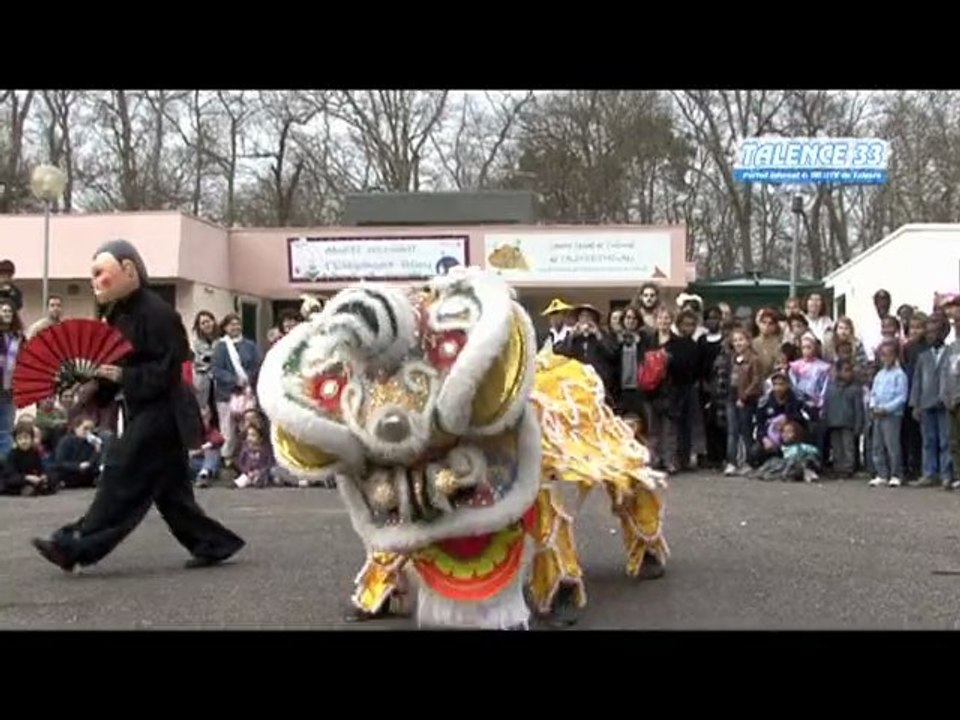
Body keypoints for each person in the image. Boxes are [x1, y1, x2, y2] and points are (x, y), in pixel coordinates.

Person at [28, 239, 245, 573]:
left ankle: (73, 546)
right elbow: (113, 363)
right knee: (170, 491)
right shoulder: (118, 314)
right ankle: (213, 543)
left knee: (121, 474)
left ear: (128, 270)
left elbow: (169, 369)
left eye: (101, 273)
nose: (94, 282)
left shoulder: (159, 314)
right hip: (144, 408)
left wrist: (124, 376)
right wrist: (89, 388)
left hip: (166, 410)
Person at [908, 316, 952, 488]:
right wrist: (915, 404)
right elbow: (917, 381)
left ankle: (946, 474)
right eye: (928, 332)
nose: (930, 336)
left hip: (945, 403)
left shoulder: (951, 353)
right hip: (926, 402)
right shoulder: (923, 356)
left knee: (946, 440)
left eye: (935, 332)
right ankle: (929, 473)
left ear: (944, 333)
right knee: (928, 440)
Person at [867, 341, 908, 488]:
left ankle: (896, 474)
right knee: (877, 445)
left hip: (892, 415)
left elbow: (902, 397)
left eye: (888, 355)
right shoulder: (879, 375)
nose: (885, 358)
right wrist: (873, 406)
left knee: (892, 445)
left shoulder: (900, 375)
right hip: (878, 414)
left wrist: (887, 408)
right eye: (882, 355)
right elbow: (873, 393)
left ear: (895, 356)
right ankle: (881, 473)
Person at [722, 328, 762, 476]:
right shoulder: (732, 358)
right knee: (732, 431)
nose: (738, 343)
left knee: (746, 431)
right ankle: (732, 461)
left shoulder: (754, 359)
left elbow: (756, 380)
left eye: (741, 339)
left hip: (746, 400)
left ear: (748, 341)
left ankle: (747, 462)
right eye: (735, 340)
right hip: (731, 398)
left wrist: (744, 397)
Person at [822, 360, 864, 478]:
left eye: (850, 370)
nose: (849, 373)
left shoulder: (855, 389)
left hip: (848, 423)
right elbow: (826, 404)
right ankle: (837, 467)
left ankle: (848, 468)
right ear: (839, 372)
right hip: (833, 422)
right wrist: (825, 419)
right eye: (845, 370)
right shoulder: (830, 388)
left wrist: (858, 425)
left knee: (848, 447)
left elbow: (858, 409)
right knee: (836, 447)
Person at [0, 297, 23, 458]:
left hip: (11, 389)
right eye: (4, 311)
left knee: (7, 428)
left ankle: (5, 465)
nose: (7, 314)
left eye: (10, 311)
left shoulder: (19, 337)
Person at [51, 416, 101, 489]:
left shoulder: (90, 442)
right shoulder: (66, 441)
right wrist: (78, 466)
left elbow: (92, 462)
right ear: (76, 428)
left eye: (91, 430)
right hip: (68, 474)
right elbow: (60, 462)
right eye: (85, 428)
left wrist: (97, 451)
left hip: (85, 477)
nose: (88, 432)